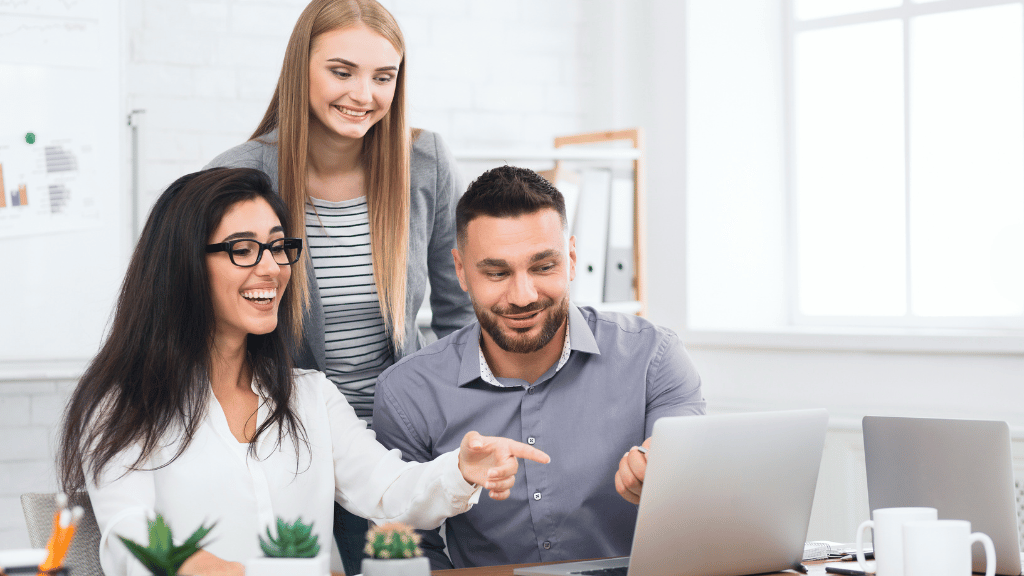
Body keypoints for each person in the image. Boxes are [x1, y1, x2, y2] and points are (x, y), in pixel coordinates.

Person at [56, 167, 548, 576]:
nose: (271, 267)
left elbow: (386, 490)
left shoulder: (308, 396)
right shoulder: (124, 405)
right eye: (243, 249)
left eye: (277, 246)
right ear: (183, 264)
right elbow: (130, 542)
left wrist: (460, 470)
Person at [204, 0, 474, 568]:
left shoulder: (424, 161)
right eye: (342, 71)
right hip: (289, 439)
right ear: (301, 67)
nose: (364, 95)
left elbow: (460, 313)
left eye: (384, 77)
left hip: (401, 444)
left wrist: (464, 421)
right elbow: (208, 317)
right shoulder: (240, 175)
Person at [372, 165, 707, 569]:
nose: (523, 295)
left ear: (571, 257)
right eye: (496, 272)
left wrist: (671, 477)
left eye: (543, 267)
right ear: (460, 270)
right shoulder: (409, 392)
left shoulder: (654, 358)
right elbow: (408, 549)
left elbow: (697, 504)